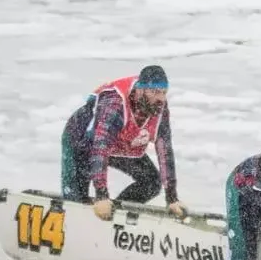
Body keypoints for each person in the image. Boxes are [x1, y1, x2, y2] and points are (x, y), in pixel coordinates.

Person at [62, 64, 185, 218]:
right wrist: (101, 194)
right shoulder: (115, 103)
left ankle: (116, 216)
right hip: (83, 143)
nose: (160, 98)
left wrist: (172, 197)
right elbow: (100, 147)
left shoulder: (159, 106)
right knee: (76, 203)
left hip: (122, 141)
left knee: (151, 182)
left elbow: (165, 150)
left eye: (163, 92)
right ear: (140, 90)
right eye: (154, 92)